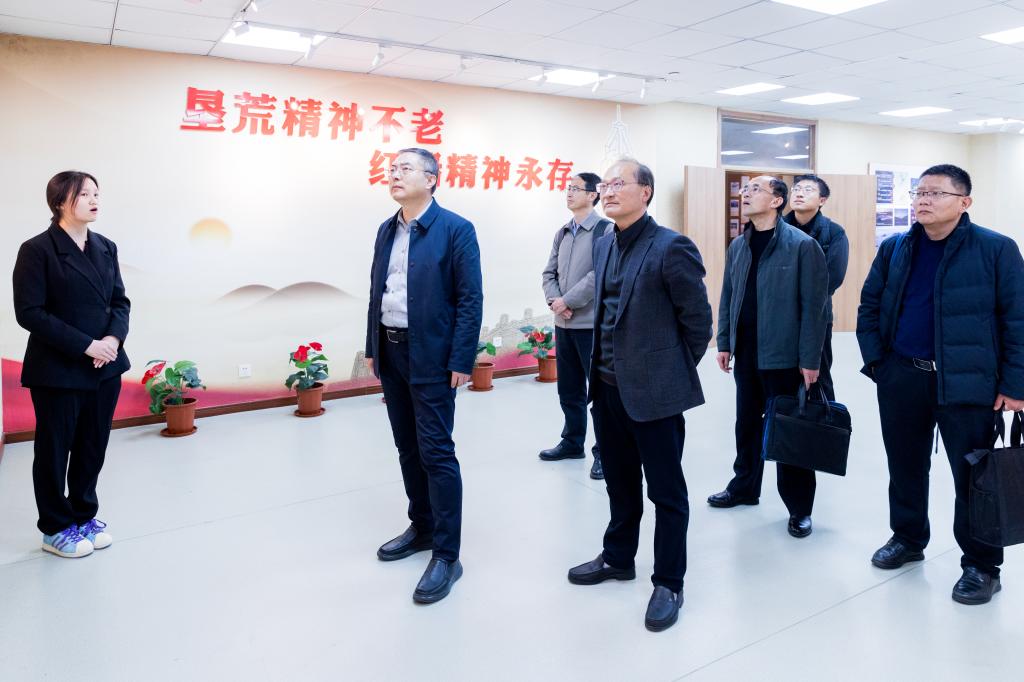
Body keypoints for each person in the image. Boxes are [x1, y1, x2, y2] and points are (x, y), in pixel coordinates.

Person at [857, 164, 1024, 605]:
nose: (923, 200)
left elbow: (1018, 320)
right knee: (904, 466)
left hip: (969, 384)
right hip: (902, 378)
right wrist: (878, 364)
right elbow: (869, 305)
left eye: (935, 193)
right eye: (919, 192)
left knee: (974, 477)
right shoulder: (895, 248)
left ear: (964, 202)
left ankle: (982, 566)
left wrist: (1015, 384)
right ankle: (907, 538)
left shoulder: (996, 249)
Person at [567, 158, 712, 633]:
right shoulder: (605, 243)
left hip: (655, 394)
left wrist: (668, 371)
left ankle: (669, 582)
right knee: (619, 483)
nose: (607, 192)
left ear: (645, 192)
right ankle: (617, 557)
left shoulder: (671, 246)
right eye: (604, 185)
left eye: (618, 184)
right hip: (607, 388)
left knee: (666, 492)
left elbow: (698, 323)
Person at [364, 147, 483, 604]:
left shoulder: (456, 229)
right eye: (392, 169)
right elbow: (377, 291)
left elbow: (470, 299)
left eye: (405, 168)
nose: (394, 174)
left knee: (436, 451)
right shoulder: (385, 229)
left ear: (432, 179)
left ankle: (448, 555)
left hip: (432, 355)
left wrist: (461, 359)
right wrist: (373, 347)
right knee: (407, 446)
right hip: (391, 350)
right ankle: (423, 525)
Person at [13, 171, 129, 558]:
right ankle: (55, 527)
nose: (95, 200)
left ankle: (83, 515)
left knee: (92, 446)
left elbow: (120, 302)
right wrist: (86, 346)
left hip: (105, 367)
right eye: (84, 194)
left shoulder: (106, 247)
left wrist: (111, 341)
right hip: (58, 369)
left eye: (97, 193)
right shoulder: (37, 250)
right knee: (54, 450)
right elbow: (30, 312)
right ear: (61, 201)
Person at [709, 176, 828, 539]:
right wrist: (724, 341)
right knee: (746, 424)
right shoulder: (739, 245)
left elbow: (815, 309)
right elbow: (728, 295)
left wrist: (810, 359)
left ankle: (799, 508)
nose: (745, 194)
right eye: (744, 190)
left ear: (777, 201)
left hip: (785, 356)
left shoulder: (802, 246)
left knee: (789, 431)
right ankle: (744, 486)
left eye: (755, 190)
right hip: (747, 353)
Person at [540, 171, 611, 479]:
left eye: (575, 188)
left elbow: (600, 274)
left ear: (593, 195)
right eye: (567, 188)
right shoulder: (563, 232)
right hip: (564, 325)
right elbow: (549, 273)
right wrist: (556, 301)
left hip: (590, 326)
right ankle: (572, 442)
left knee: (600, 394)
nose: (568, 192)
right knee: (569, 390)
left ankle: (604, 453)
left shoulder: (605, 230)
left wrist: (567, 301)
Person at [784, 174, 849, 400]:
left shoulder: (834, 232)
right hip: (778, 317)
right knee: (781, 377)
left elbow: (833, 277)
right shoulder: (776, 228)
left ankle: (822, 419)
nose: (799, 193)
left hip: (816, 316)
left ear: (822, 200)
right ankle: (781, 420)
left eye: (808, 190)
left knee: (817, 378)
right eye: (796, 189)